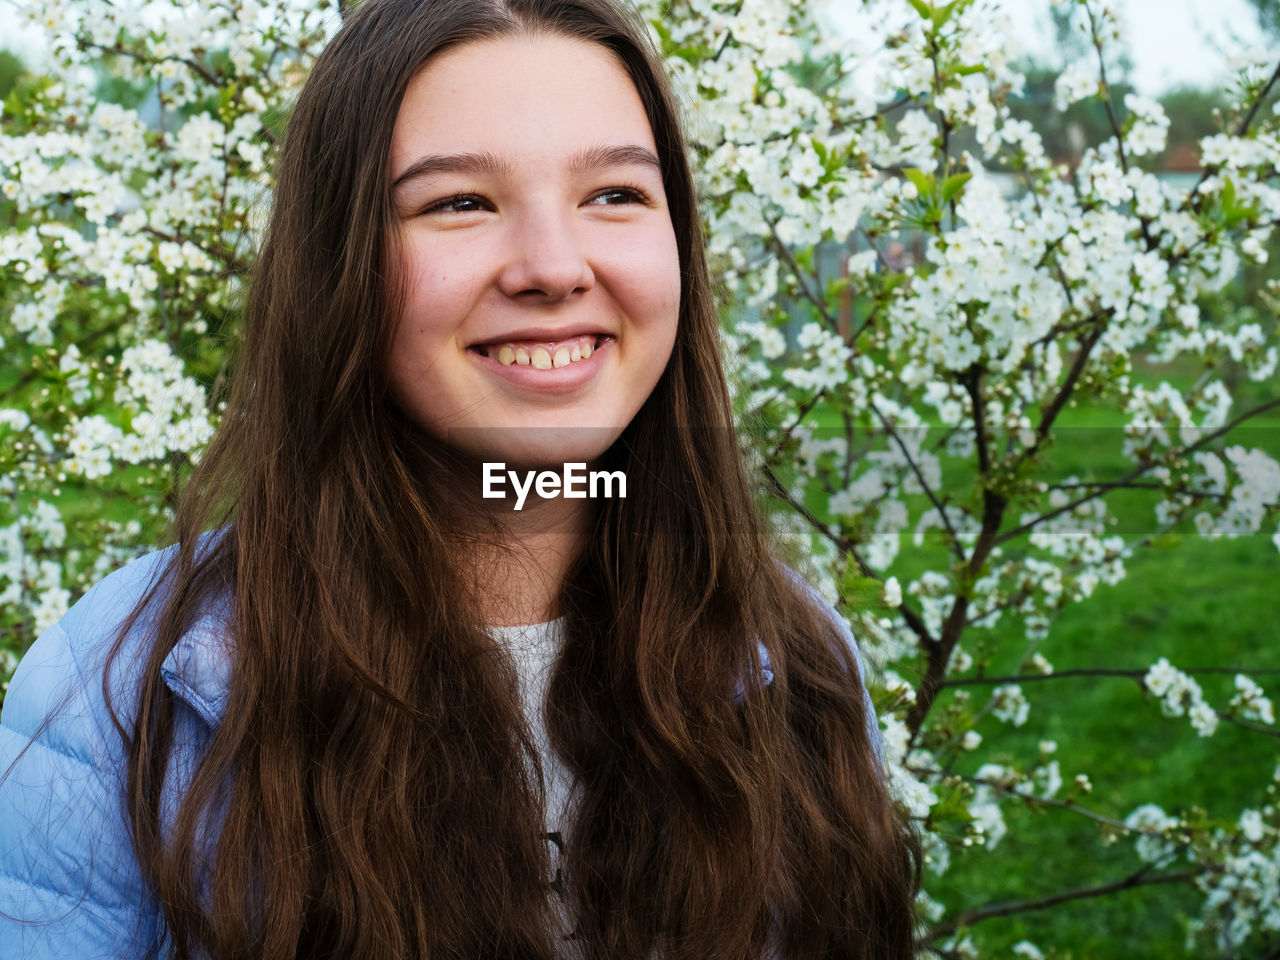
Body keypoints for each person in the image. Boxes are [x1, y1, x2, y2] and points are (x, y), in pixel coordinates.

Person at [0, 0, 922, 957]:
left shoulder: (795, 665)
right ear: (338, 262)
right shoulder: (118, 696)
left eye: (615, 194)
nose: (554, 269)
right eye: (458, 203)